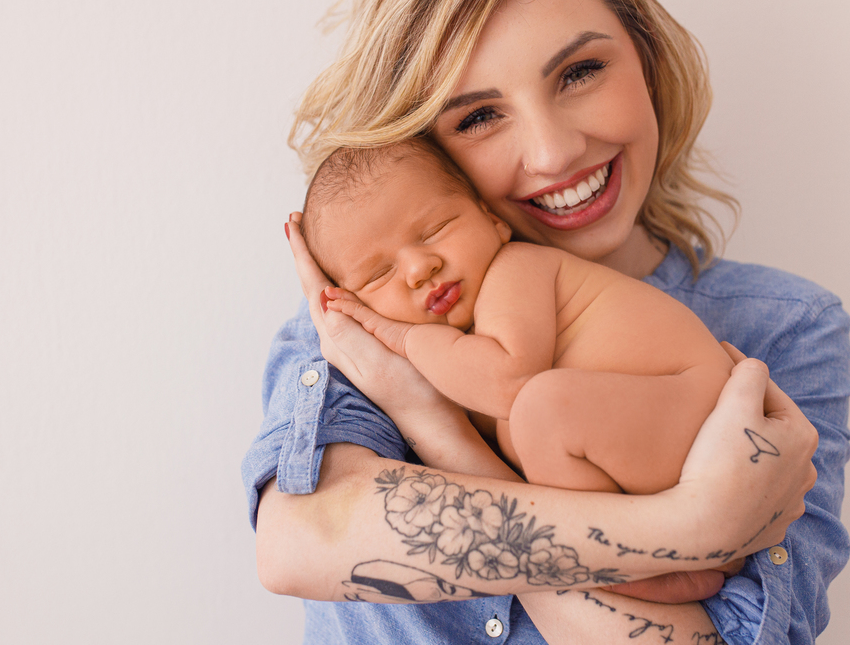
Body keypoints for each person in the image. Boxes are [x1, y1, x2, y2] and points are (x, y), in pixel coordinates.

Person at [244, 0, 850, 644]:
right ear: (427, 151)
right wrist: (692, 525)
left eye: (579, 72)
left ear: (645, 56)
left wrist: (436, 425)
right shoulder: (366, 313)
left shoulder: (784, 329)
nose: (554, 151)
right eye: (480, 116)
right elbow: (305, 541)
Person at [304, 137, 741, 497]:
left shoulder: (515, 270)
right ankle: (656, 559)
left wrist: (403, 339)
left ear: (493, 220)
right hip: (657, 446)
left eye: (435, 229)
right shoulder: (455, 357)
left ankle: (636, 555)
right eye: (380, 274)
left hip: (697, 410)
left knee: (539, 409)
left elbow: (507, 383)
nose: (420, 269)